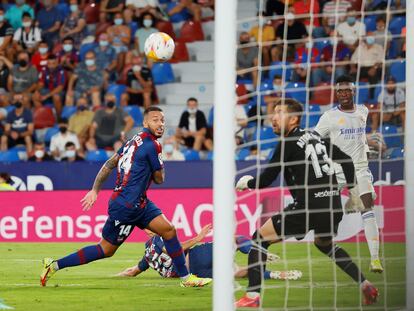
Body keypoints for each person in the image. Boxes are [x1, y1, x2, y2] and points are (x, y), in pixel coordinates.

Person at [40, 106, 213, 288]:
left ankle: (186, 279)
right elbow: (159, 179)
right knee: (105, 250)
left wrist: (95, 190)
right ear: (145, 122)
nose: (160, 123)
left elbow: (109, 164)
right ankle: (54, 265)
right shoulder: (153, 145)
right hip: (127, 206)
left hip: (138, 202)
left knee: (169, 230)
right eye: (155, 120)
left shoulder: (132, 142)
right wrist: (160, 165)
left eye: (162, 120)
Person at [235, 98, 379, 307]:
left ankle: (252, 296)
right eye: (273, 113)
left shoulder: (287, 143)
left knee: (259, 239)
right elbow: (347, 161)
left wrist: (247, 183)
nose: (273, 118)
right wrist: (351, 189)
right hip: (332, 205)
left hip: (308, 205)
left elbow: (266, 180)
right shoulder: (315, 137)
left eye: (279, 113)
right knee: (324, 244)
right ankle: (365, 284)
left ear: (293, 119)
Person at [314, 75, 383, 273]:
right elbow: (315, 138)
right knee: (326, 215)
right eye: (340, 91)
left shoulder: (363, 111)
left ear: (353, 91)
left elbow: (358, 135)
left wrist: (369, 143)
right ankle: (347, 203)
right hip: (336, 171)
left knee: (368, 208)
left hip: (360, 170)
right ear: (336, 93)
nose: (344, 93)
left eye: (347, 90)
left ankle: (375, 259)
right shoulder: (329, 117)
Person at [117, 224, 302, 281]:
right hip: (196, 257)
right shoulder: (159, 238)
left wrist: (117, 275)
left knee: (236, 273)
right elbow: (176, 249)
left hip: (195, 273)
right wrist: (198, 238)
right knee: (234, 239)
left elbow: (133, 271)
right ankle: (259, 251)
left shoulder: (147, 256)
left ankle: (278, 274)